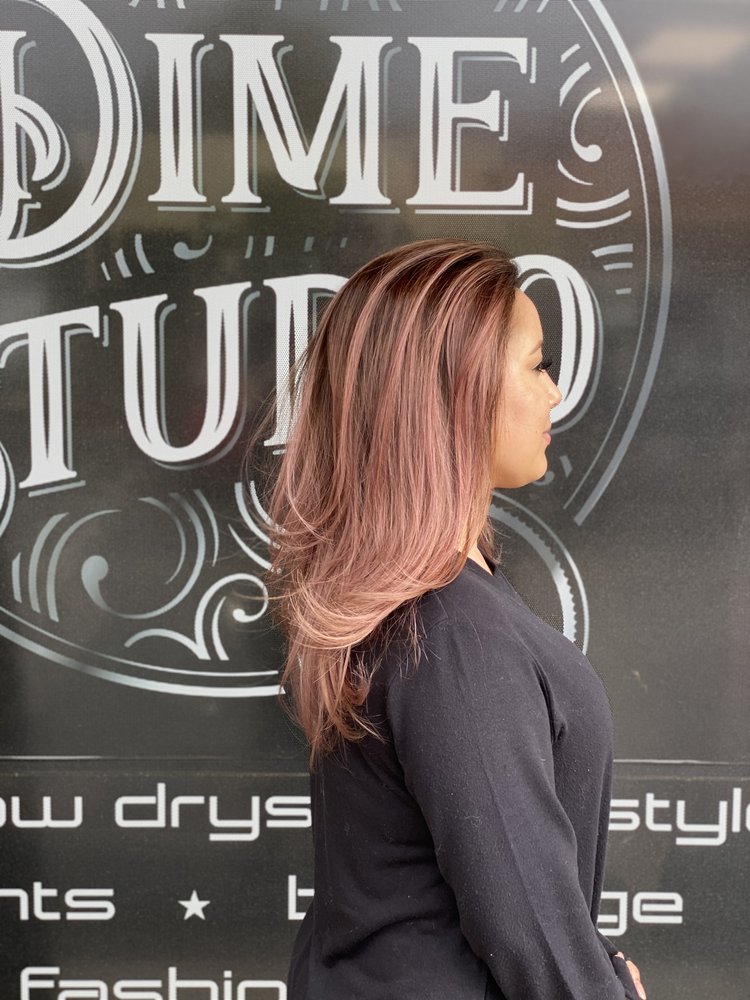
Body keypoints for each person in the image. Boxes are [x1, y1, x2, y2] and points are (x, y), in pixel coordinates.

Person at [261, 240, 647, 999]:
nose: (556, 392)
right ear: (458, 394)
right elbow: (526, 919)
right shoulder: (454, 632)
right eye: (536, 365)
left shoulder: (431, 608)